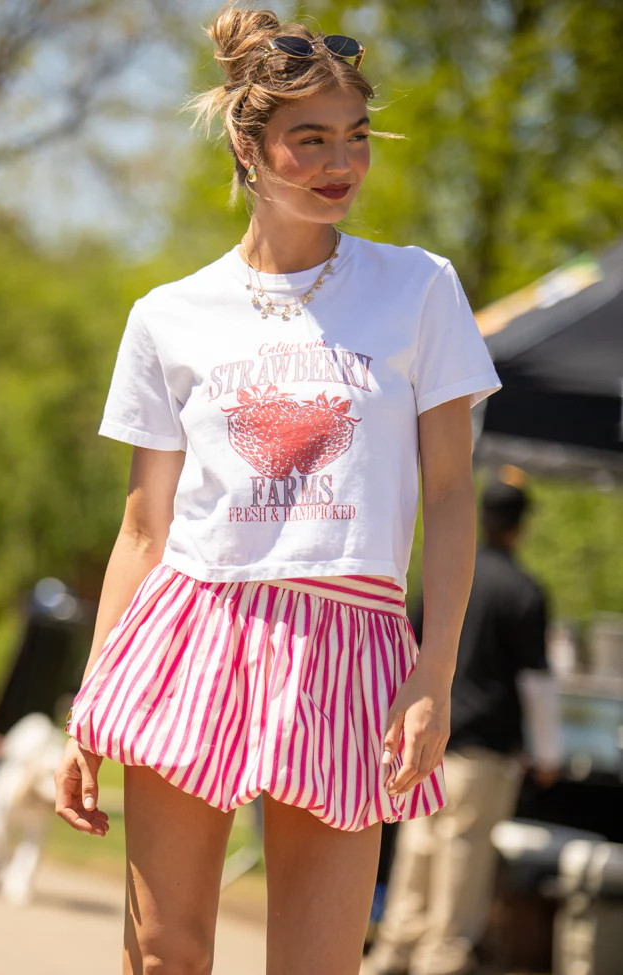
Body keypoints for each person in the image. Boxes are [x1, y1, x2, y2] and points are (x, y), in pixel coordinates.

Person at [53, 3, 503, 972]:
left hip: (350, 648)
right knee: (164, 957)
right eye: (310, 141)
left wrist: (431, 671)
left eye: (353, 139)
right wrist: (91, 703)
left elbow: (451, 495)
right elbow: (143, 527)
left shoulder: (417, 289)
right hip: (193, 631)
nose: (340, 163)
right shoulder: (168, 315)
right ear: (246, 148)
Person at [368, 466, 561, 975]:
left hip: (425, 741)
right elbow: (536, 685)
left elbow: (403, 651)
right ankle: (441, 958)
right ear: (520, 525)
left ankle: (395, 950)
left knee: (419, 844)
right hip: (483, 751)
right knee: (463, 855)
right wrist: (548, 754)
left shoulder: (446, 581)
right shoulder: (525, 590)